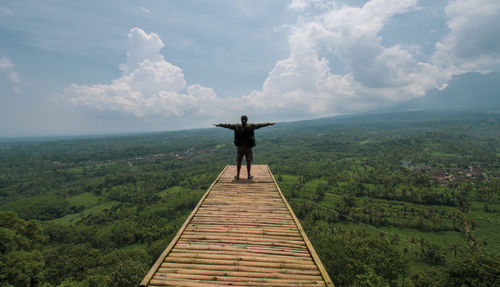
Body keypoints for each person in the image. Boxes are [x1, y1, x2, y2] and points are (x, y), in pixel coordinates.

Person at [214, 115, 275, 180]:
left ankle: (237, 175)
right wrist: (269, 124)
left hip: (240, 147)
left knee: (239, 161)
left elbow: (227, 125)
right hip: (248, 147)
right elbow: (260, 125)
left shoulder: (236, 126)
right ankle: (248, 175)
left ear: (241, 119)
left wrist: (219, 125)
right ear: (247, 120)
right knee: (248, 161)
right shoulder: (251, 126)